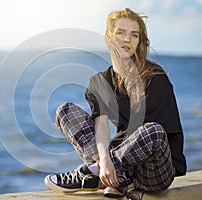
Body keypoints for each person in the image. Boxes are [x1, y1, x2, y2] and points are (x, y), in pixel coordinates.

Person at [44, 8, 187, 198]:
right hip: (119, 161)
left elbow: (160, 139)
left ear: (139, 42)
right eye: (120, 32)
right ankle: (107, 173)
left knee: (154, 131)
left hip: (154, 169)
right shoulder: (100, 81)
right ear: (109, 36)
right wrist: (104, 160)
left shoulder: (155, 76)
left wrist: (111, 161)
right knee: (66, 111)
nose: (127, 39)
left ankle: (90, 174)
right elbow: (101, 126)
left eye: (134, 35)